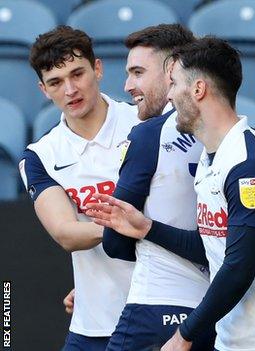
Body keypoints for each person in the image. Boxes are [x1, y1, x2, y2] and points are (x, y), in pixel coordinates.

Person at [85, 36, 255, 351]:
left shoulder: (248, 164)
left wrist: (184, 335)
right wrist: (146, 228)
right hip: (240, 340)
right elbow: (215, 249)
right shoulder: (215, 156)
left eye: (175, 83)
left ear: (198, 90)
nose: (170, 94)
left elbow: (238, 268)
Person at [18, 25, 138, 350]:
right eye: (56, 82)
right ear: (44, 89)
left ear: (97, 69)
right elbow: (66, 234)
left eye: (77, 74)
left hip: (158, 315)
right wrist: (131, 225)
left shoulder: (145, 124)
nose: (70, 89)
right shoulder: (41, 156)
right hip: (93, 324)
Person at [101, 24, 214, 350]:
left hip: (155, 309)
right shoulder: (238, 138)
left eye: (137, 72)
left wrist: (142, 230)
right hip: (215, 316)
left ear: (172, 71)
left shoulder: (150, 134)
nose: (127, 85)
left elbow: (115, 241)